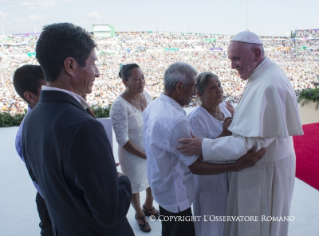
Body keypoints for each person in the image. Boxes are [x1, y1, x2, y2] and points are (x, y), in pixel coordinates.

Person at [177, 31, 304, 236]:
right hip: (268, 166)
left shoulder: (267, 83)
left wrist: (203, 145)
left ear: (256, 52)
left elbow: (249, 143)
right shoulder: (262, 75)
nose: (232, 65)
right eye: (231, 59)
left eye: (236, 58)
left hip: (265, 171)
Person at [21, 23, 134, 236]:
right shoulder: (84, 127)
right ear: (70, 66)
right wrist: (121, 178)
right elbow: (110, 212)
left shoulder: (31, 119)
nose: (98, 73)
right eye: (93, 63)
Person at [143, 62, 266, 236]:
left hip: (164, 187)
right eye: (193, 87)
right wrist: (236, 165)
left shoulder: (155, 106)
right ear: (179, 86)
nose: (194, 92)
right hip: (178, 192)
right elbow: (196, 165)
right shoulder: (180, 119)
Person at [110, 63, 158, 233]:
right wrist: (143, 154)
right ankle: (139, 213)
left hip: (149, 149)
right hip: (131, 153)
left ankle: (149, 205)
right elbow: (122, 139)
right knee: (135, 185)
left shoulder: (146, 95)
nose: (142, 82)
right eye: (137, 79)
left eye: (143, 77)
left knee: (151, 179)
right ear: (125, 82)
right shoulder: (119, 105)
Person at [188, 72, 233, 236]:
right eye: (212, 87)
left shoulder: (224, 107)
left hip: (229, 175)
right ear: (199, 94)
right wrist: (225, 134)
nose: (219, 90)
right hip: (210, 181)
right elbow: (199, 155)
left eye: (219, 85)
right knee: (211, 224)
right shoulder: (195, 119)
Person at [13, 65, 52, 236]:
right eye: (47, 88)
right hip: (52, 201)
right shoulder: (25, 135)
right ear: (29, 96)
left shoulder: (55, 114)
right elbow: (41, 176)